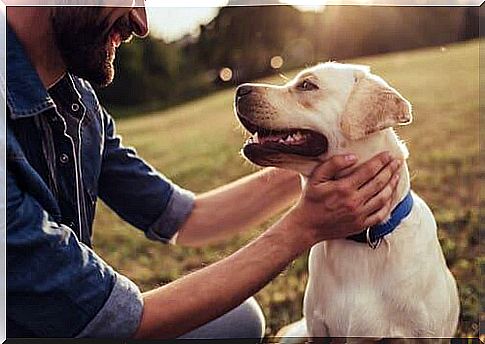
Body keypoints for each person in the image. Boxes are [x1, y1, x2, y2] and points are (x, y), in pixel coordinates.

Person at [4, 3, 402, 339]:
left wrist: (326, 157)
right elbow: (110, 321)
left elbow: (187, 218)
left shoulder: (77, 102)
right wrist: (304, 228)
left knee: (240, 320)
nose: (141, 24)